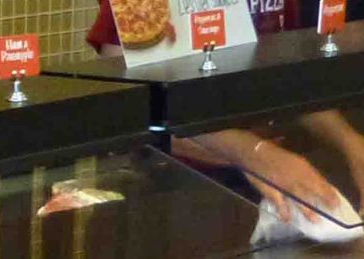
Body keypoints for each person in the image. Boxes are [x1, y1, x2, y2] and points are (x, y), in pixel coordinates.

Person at [90, 0, 364, 225]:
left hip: (265, 192)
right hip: (171, 191)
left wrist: (349, 143)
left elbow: (285, 88)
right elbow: (129, 108)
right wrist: (252, 153)